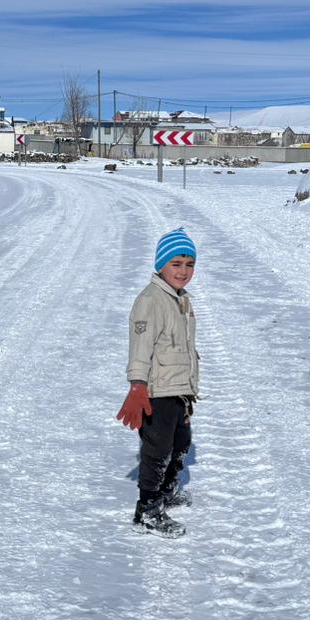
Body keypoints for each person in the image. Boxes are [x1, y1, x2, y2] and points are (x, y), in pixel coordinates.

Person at [116, 228, 201, 537]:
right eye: (176, 263)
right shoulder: (151, 301)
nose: (183, 271)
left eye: (189, 265)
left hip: (179, 389)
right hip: (156, 390)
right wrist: (137, 385)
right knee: (158, 449)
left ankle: (165, 491)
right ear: (161, 264)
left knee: (180, 444)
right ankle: (147, 509)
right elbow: (140, 347)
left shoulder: (180, 299)